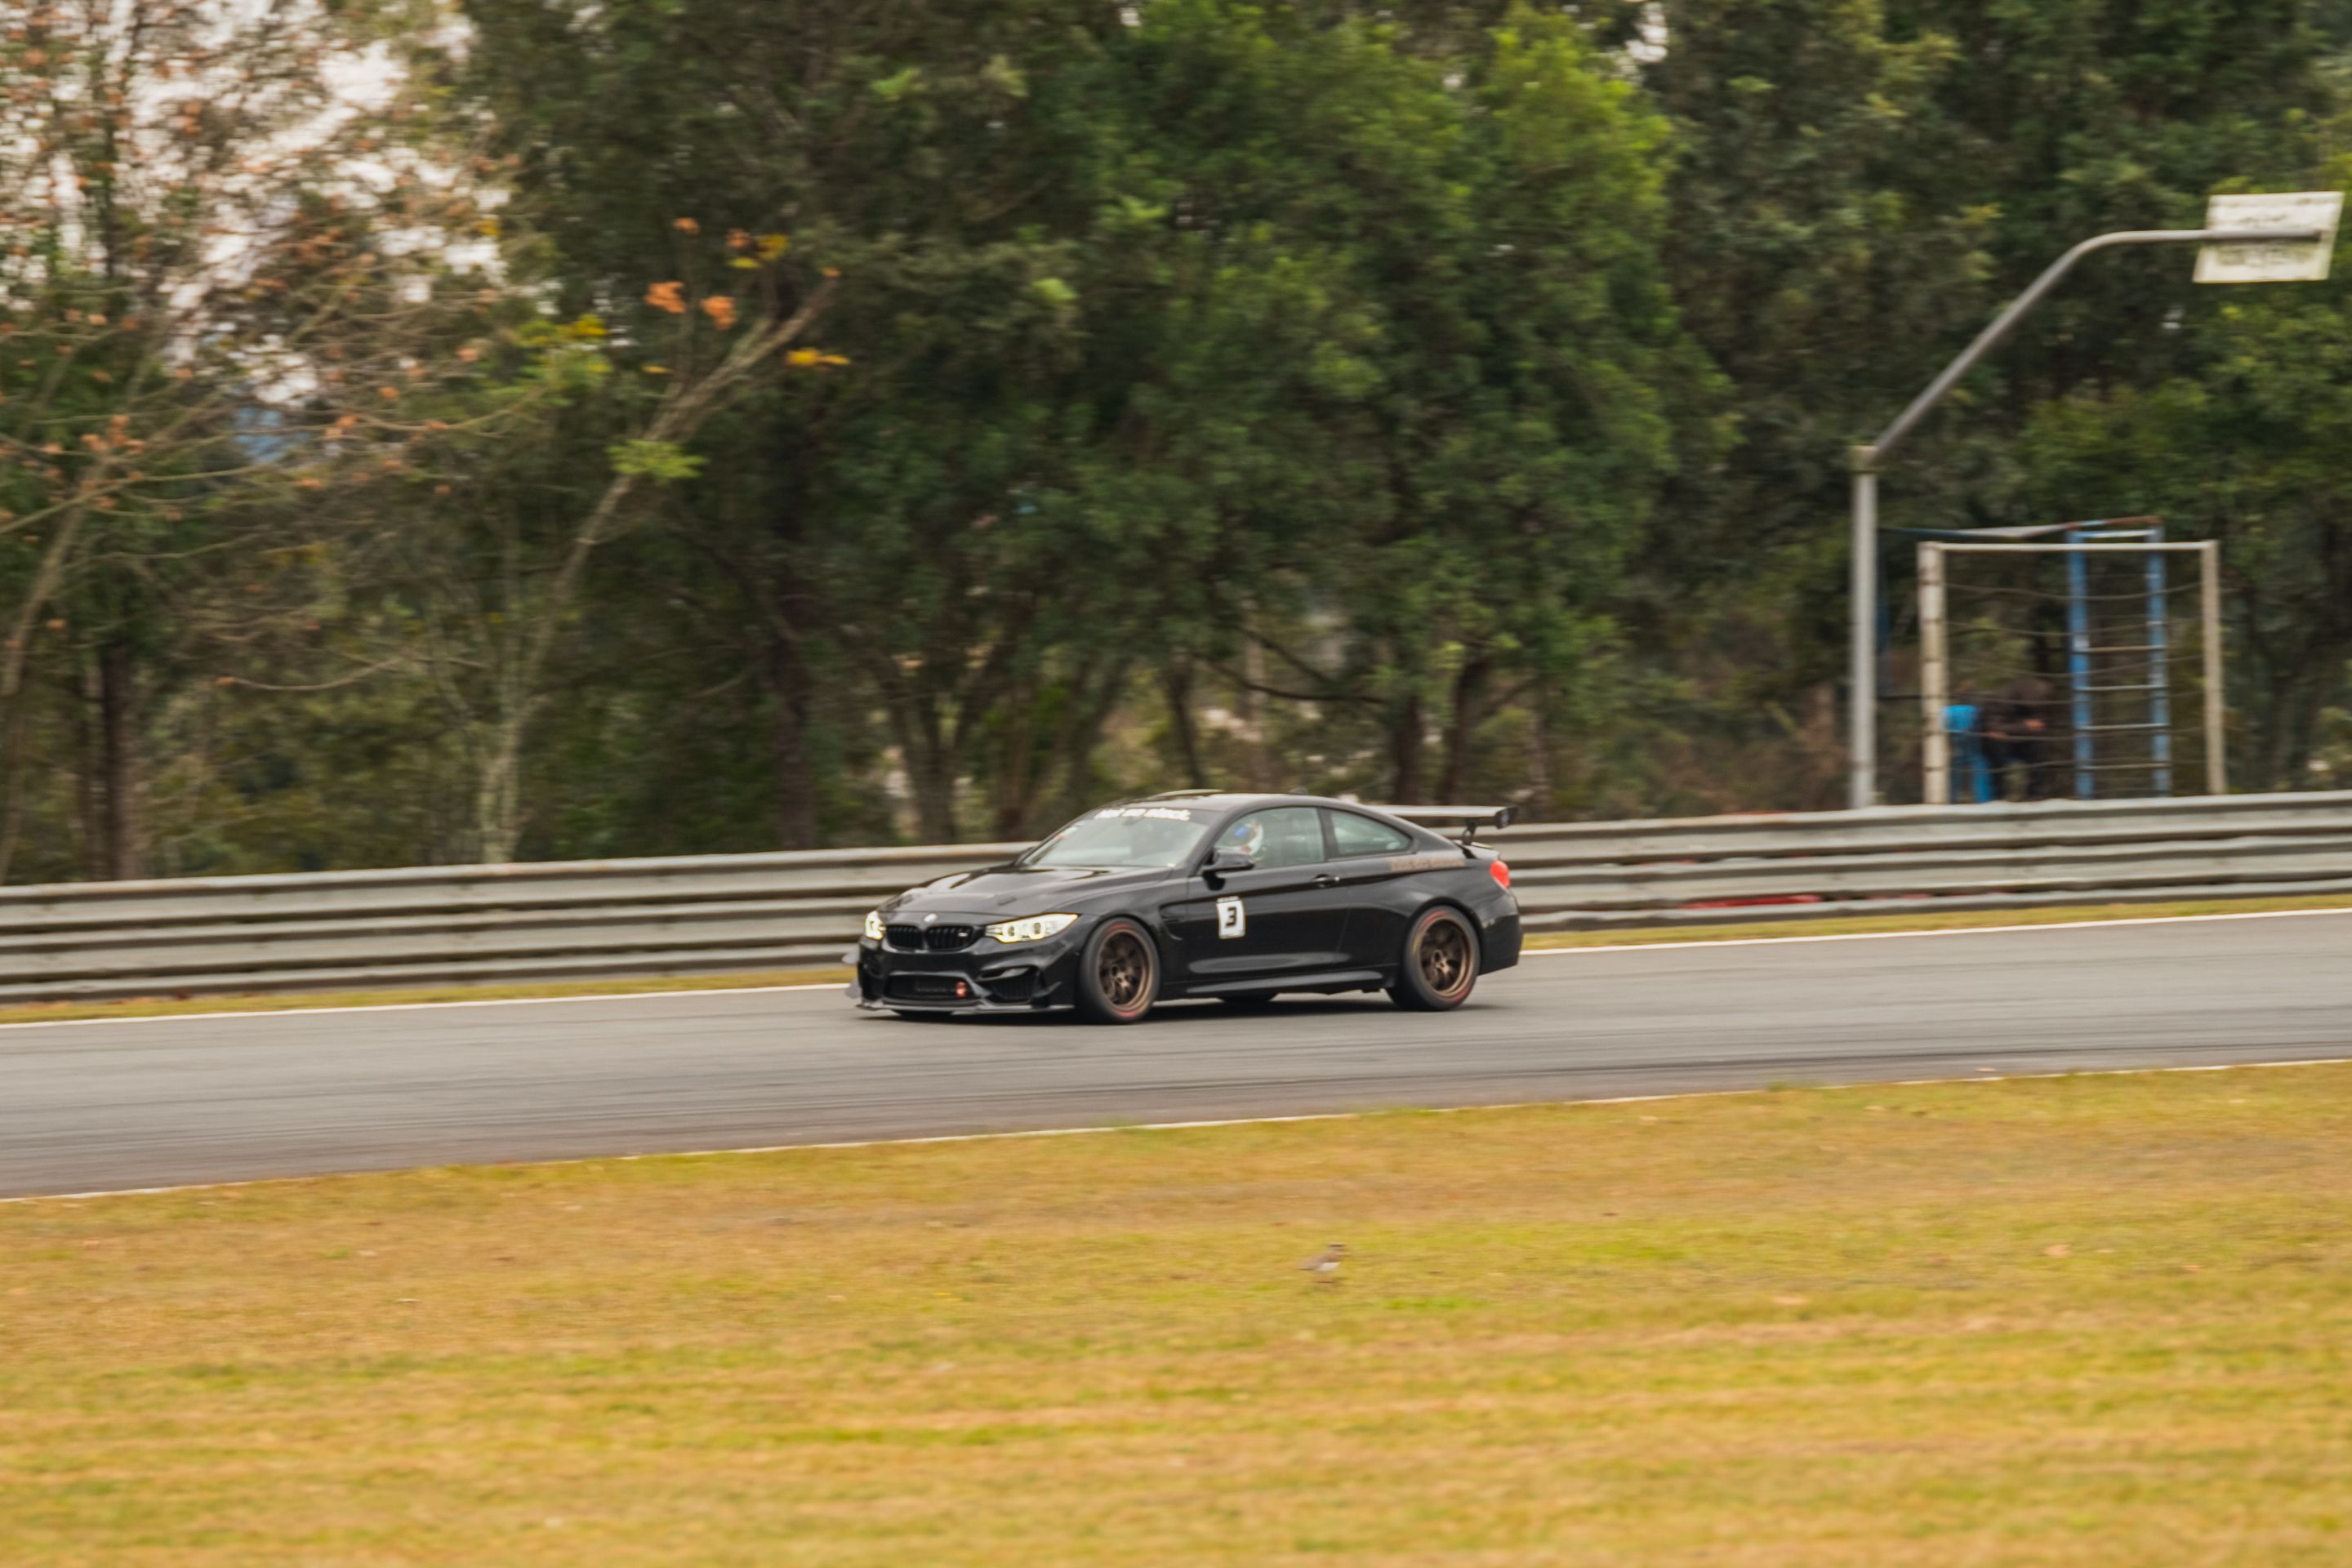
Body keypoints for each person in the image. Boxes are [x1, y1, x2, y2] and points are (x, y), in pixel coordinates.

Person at [1982, 675, 2055, 800]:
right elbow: (1994, 728)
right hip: (1998, 743)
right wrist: (2025, 726)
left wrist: (2013, 729)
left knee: (2038, 748)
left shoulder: (2038, 702)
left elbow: (2040, 726)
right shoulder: (1999, 699)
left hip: (2020, 740)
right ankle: (1999, 795)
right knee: (1996, 747)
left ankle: (2035, 795)